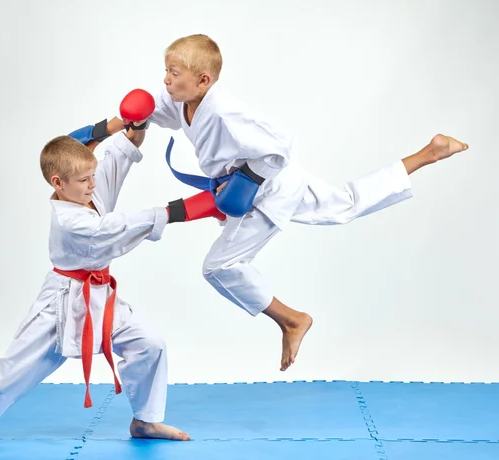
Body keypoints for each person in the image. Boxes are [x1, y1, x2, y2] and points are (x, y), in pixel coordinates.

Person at [147, 33, 470, 372]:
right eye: (166, 70)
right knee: (345, 204)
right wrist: (116, 126)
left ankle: (291, 320)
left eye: (173, 72)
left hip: (266, 190)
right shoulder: (184, 99)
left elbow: (281, 144)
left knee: (218, 267)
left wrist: (246, 183)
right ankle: (430, 153)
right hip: (277, 182)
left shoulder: (226, 111)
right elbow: (152, 108)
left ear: (203, 80)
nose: (166, 79)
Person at [0, 106, 226, 451]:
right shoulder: (70, 220)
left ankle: (145, 420)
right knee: (10, 374)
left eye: (93, 177)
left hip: (101, 297)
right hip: (62, 305)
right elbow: (114, 228)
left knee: (149, 344)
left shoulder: (86, 188)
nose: (93, 184)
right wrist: (188, 209)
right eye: (84, 180)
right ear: (57, 184)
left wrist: (133, 124)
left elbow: (120, 156)